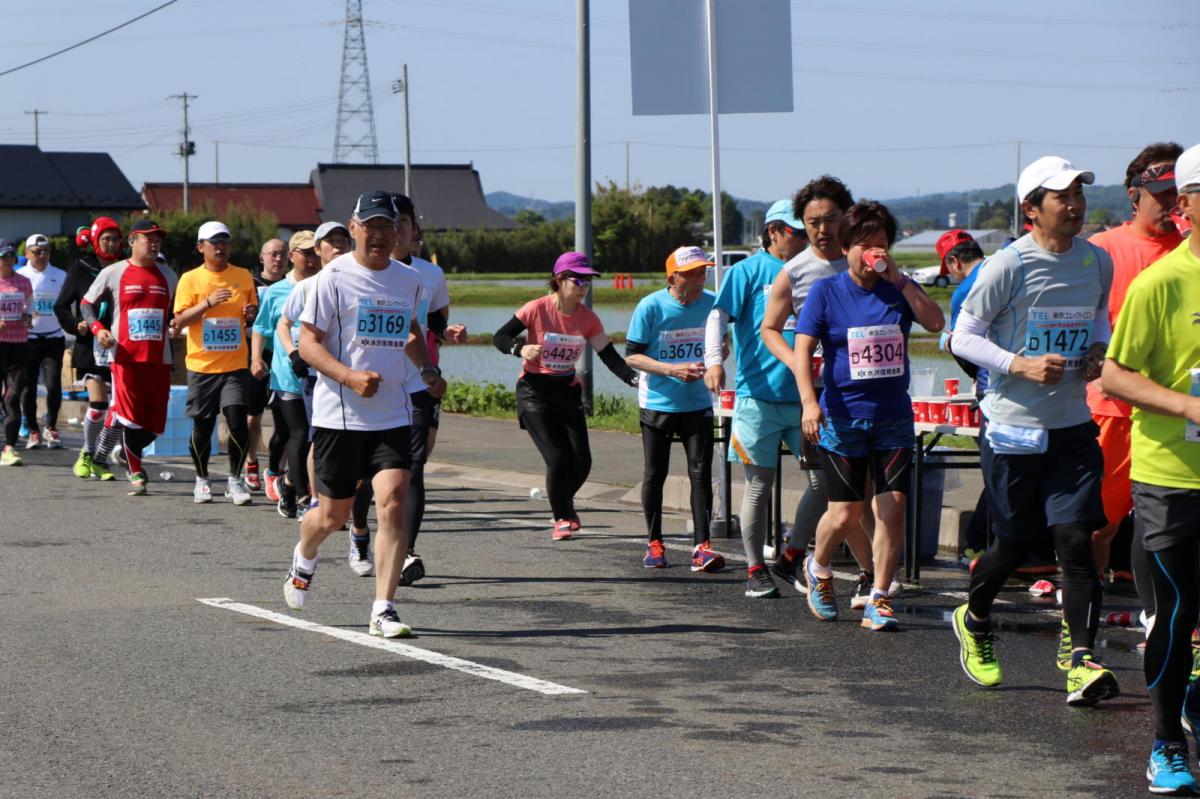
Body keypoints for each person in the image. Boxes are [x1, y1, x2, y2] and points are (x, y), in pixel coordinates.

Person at [949, 155, 1118, 706]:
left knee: (1077, 539)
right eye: (1060, 196)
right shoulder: (1008, 266)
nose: (1073, 205)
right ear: (1031, 209)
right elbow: (962, 337)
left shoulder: (1096, 261)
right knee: (1015, 545)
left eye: (1077, 195)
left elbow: (1098, 316)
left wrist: (1097, 349)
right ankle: (974, 618)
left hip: (1071, 424)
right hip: (1013, 428)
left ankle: (1081, 662)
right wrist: (1017, 364)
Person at [283, 190, 446, 639]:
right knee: (331, 518)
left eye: (385, 228)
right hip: (341, 417)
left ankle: (384, 608)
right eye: (369, 227)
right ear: (353, 228)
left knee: (393, 503)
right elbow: (308, 343)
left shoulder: (409, 280)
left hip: (392, 414)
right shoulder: (331, 279)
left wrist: (427, 369)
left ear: (399, 234)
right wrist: (350, 377)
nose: (377, 236)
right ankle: (305, 554)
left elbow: (410, 330)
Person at [1100, 142, 1200, 795]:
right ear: (1188, 205)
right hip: (1171, 475)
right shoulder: (1159, 284)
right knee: (1175, 609)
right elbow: (1114, 373)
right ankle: (1166, 743)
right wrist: (1188, 403)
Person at [795, 201, 944, 631]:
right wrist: (809, 402)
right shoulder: (828, 292)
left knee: (892, 508)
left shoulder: (898, 289)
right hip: (843, 417)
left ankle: (879, 596)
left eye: (881, 244)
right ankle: (818, 567)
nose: (873, 252)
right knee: (844, 513)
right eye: (864, 245)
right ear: (847, 248)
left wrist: (899, 277)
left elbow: (935, 323)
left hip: (893, 417)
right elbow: (803, 350)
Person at [761, 177, 879, 606]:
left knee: (869, 496)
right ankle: (867, 574)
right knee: (850, 497)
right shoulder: (796, 271)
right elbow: (769, 328)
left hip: (874, 395)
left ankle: (870, 574)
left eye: (830, 219)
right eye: (812, 222)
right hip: (826, 400)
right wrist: (798, 361)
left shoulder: (869, 261)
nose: (822, 230)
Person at [348, 196, 468, 586]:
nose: (395, 230)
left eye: (402, 222)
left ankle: (405, 551)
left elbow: (432, 322)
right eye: (387, 223)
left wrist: (446, 334)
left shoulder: (428, 275)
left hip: (416, 382)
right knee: (366, 476)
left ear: (413, 230)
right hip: (370, 386)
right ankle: (361, 532)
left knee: (410, 470)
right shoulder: (353, 272)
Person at [1087, 143, 1185, 582]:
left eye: (1179, 193)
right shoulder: (1100, 250)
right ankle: (1083, 623)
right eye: (1162, 194)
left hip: (1178, 417)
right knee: (1097, 527)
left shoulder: (1191, 252)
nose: (1173, 203)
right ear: (1134, 196)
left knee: (1177, 531)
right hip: (1111, 410)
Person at [491, 251, 639, 541]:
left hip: (567, 392)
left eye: (588, 281)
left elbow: (608, 355)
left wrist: (635, 380)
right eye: (578, 279)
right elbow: (500, 337)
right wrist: (520, 349)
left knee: (582, 461)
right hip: (534, 392)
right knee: (558, 458)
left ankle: (562, 502)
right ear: (559, 280)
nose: (584, 286)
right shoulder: (537, 308)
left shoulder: (587, 318)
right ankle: (561, 517)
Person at [702, 199, 808, 598]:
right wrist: (714, 362)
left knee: (824, 479)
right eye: (796, 232)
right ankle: (754, 570)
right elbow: (717, 317)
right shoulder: (747, 272)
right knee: (758, 487)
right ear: (774, 231)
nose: (802, 239)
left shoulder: (813, 268)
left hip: (806, 397)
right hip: (757, 396)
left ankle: (792, 554)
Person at [625, 246, 723, 571]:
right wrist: (672, 369)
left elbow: (725, 342)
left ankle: (702, 546)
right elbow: (632, 356)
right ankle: (654, 544)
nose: (700, 279)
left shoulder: (712, 302)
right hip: (658, 403)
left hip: (697, 403)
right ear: (673, 277)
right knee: (655, 474)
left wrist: (716, 358)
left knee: (700, 473)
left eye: (703, 272)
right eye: (693, 273)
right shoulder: (651, 306)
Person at [80, 219, 178, 495]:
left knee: (156, 424)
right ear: (133, 241)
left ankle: (123, 453)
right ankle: (136, 470)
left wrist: (177, 324)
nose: (154, 242)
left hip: (160, 359)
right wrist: (99, 330)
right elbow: (86, 303)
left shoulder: (169, 275)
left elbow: (177, 313)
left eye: (158, 238)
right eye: (148, 238)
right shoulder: (114, 272)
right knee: (132, 417)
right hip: (125, 358)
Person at [172, 220, 258, 505]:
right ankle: (202, 479)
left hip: (234, 364)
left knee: (236, 420)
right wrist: (207, 303)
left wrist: (250, 312)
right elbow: (179, 320)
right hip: (202, 365)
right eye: (214, 242)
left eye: (225, 242)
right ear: (201, 248)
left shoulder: (243, 275)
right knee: (203, 426)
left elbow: (252, 314)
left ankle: (235, 479)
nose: (220, 247)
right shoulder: (190, 279)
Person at [274, 222, 351, 519]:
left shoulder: (359, 282)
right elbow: (283, 324)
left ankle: (292, 482)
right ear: (318, 250)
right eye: (331, 241)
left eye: (343, 240)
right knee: (317, 438)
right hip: (314, 376)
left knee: (345, 441)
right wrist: (294, 353)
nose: (339, 246)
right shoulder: (307, 287)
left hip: (348, 376)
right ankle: (316, 499)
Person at [252, 231, 321, 518]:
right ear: (292, 256)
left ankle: (289, 483)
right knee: (300, 434)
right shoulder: (277, 291)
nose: (312, 258)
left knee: (316, 438)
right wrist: (256, 358)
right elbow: (260, 327)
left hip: (320, 375)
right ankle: (305, 497)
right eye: (305, 252)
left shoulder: (327, 285)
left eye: (315, 251)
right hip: (286, 374)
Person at [937, 229, 991, 564]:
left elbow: (960, 344)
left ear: (955, 261)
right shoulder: (1008, 268)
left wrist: (975, 378)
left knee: (998, 470)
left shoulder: (965, 290)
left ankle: (979, 544)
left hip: (994, 389)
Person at [56, 218, 122, 479]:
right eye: (106, 239)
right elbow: (61, 305)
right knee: (98, 404)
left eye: (115, 239)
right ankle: (87, 452)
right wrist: (76, 325)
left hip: (120, 345)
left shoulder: (125, 267)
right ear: (95, 241)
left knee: (119, 408)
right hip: (90, 345)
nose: (111, 243)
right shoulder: (81, 268)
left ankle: (100, 458)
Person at [246, 237, 289, 494]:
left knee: (284, 418)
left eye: (282, 254)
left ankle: (276, 467)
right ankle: (251, 462)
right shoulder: (250, 284)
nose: (277, 258)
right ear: (261, 257)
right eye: (272, 254)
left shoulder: (293, 284)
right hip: (257, 354)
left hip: (284, 356)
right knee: (253, 417)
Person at [17, 234, 67, 450]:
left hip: (54, 337)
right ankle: (33, 430)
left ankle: (51, 426)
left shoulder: (60, 275)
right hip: (28, 339)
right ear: (27, 253)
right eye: (37, 252)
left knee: (54, 384)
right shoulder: (20, 275)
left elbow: (67, 305)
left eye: (46, 251)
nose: (42, 255)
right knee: (28, 387)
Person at [0, 239, 33, 466]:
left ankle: (9, 448)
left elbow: (30, 305)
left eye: (11, 256)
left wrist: (27, 317)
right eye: (3, 256)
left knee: (12, 397)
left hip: (18, 344)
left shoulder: (24, 282)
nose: (8, 260)